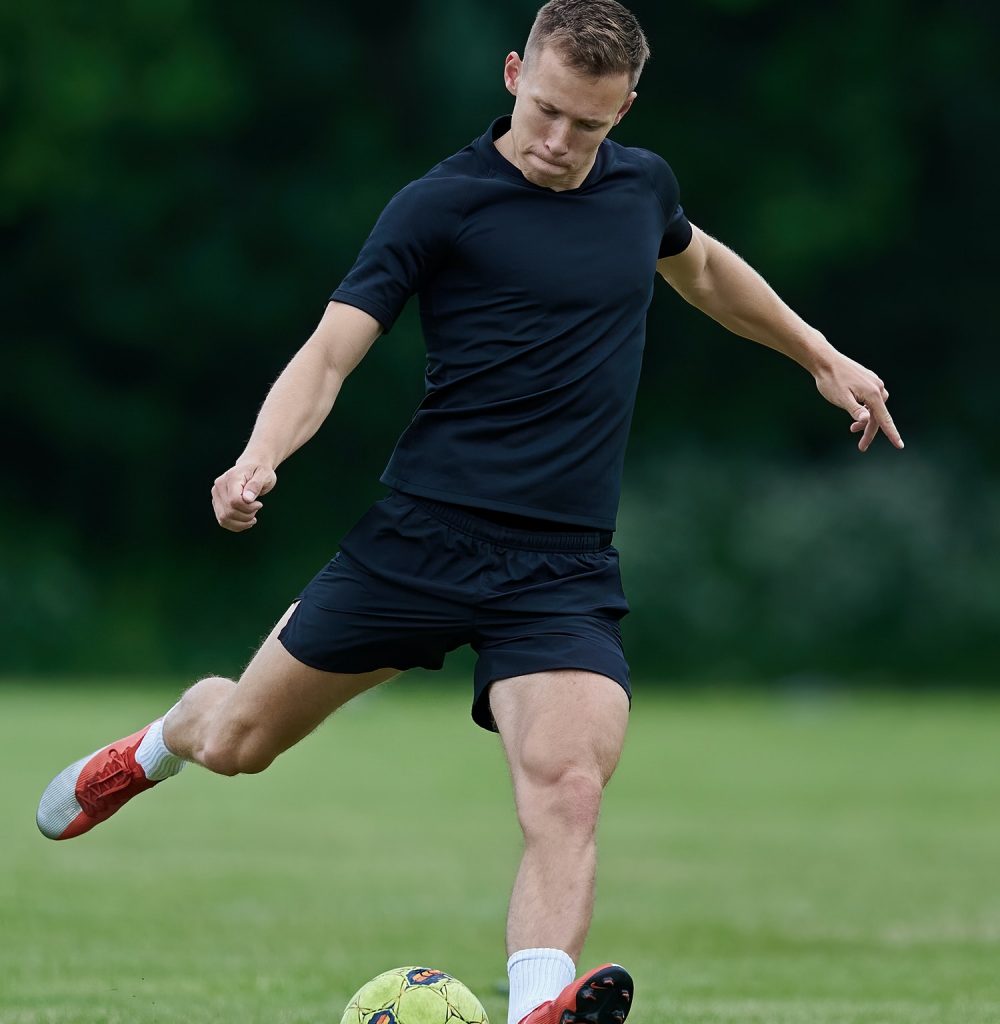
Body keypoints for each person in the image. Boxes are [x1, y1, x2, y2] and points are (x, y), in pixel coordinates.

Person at [36, 1, 903, 1022]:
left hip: (560, 568)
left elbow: (702, 268)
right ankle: (158, 742)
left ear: (625, 107)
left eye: (590, 124)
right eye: (545, 111)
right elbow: (329, 353)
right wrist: (256, 459)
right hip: (420, 541)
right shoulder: (438, 204)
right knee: (238, 742)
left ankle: (541, 1003)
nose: (559, 142)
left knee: (567, 782)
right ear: (510, 74)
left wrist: (821, 354)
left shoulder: (642, 189)